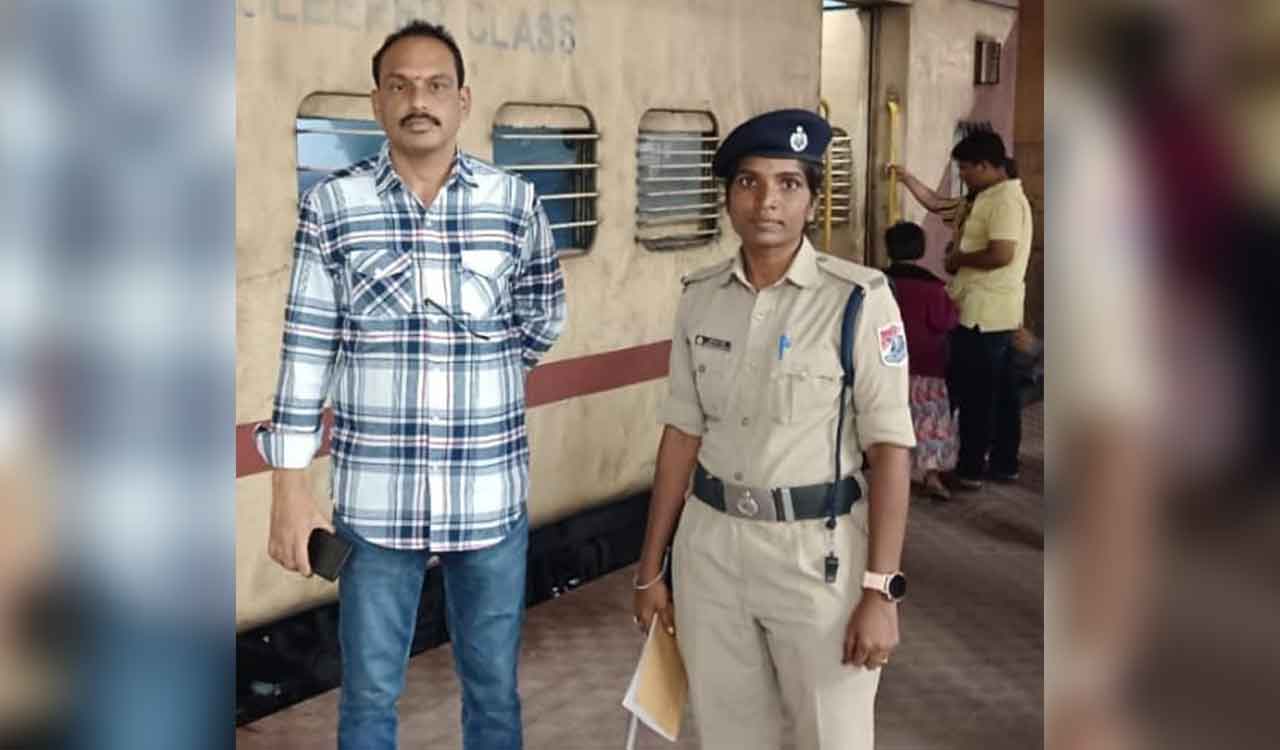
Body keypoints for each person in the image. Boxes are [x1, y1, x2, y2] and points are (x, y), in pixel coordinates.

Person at [254, 20, 566, 750]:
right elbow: (307, 348)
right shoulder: (334, 205)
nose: (417, 100)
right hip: (375, 504)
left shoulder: (512, 202)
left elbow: (542, 317)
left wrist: (477, 380)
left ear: (463, 101)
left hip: (489, 493)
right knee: (367, 698)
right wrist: (289, 490)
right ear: (376, 103)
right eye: (400, 86)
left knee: (493, 693)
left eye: (434, 86)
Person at [632, 109, 915, 750]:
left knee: (832, 737)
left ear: (813, 199)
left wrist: (882, 590)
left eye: (788, 184)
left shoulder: (859, 300)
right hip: (711, 553)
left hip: (817, 558)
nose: (767, 202)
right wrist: (651, 569)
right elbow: (681, 434)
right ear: (729, 197)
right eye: (750, 183)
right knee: (731, 736)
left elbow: (891, 449)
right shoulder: (700, 296)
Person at [891, 131, 1032, 489]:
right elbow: (938, 205)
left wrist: (957, 259)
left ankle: (971, 468)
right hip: (984, 312)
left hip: (985, 315)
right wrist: (906, 179)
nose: (963, 175)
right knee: (999, 393)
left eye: (967, 169)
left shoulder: (1004, 203)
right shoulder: (980, 198)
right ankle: (1001, 463)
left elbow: (1002, 253)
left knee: (978, 395)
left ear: (986, 166)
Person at [884, 221, 959, 500]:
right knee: (929, 421)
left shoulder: (880, 282)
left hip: (888, 367)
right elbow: (946, 322)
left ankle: (887, 475)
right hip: (928, 367)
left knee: (889, 421)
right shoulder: (933, 287)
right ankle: (931, 476)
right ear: (922, 249)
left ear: (888, 249)